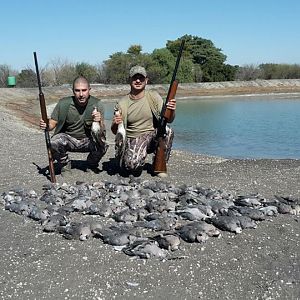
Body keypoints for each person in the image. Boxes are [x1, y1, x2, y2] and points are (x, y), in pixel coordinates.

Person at [111, 65, 176, 177]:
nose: (138, 80)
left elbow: (168, 120)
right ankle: (134, 158)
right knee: (132, 167)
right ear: (129, 80)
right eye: (134, 78)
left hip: (153, 135)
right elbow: (114, 131)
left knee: (168, 130)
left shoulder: (153, 96)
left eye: (141, 78)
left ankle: (159, 165)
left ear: (146, 80)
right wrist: (115, 124)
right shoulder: (122, 103)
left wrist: (171, 110)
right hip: (135, 137)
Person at [39, 76, 108, 174]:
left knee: (103, 143)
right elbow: (52, 124)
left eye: (84, 90)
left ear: (89, 90)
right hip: (68, 140)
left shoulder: (98, 104)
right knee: (53, 142)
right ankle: (64, 164)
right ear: (73, 91)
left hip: (87, 141)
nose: (81, 94)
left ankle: (91, 164)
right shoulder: (63, 103)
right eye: (77, 90)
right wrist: (46, 124)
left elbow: (101, 131)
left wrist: (99, 120)